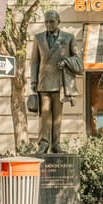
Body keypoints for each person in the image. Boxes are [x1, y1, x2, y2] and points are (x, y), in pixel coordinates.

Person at [30, 10, 83, 154]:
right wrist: (33, 81)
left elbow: (79, 60)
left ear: (58, 22)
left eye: (52, 21)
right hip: (43, 82)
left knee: (57, 116)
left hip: (60, 82)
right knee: (44, 114)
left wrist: (66, 61)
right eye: (46, 21)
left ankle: (56, 144)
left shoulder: (69, 38)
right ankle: (43, 143)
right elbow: (34, 61)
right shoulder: (38, 38)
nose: (48, 24)